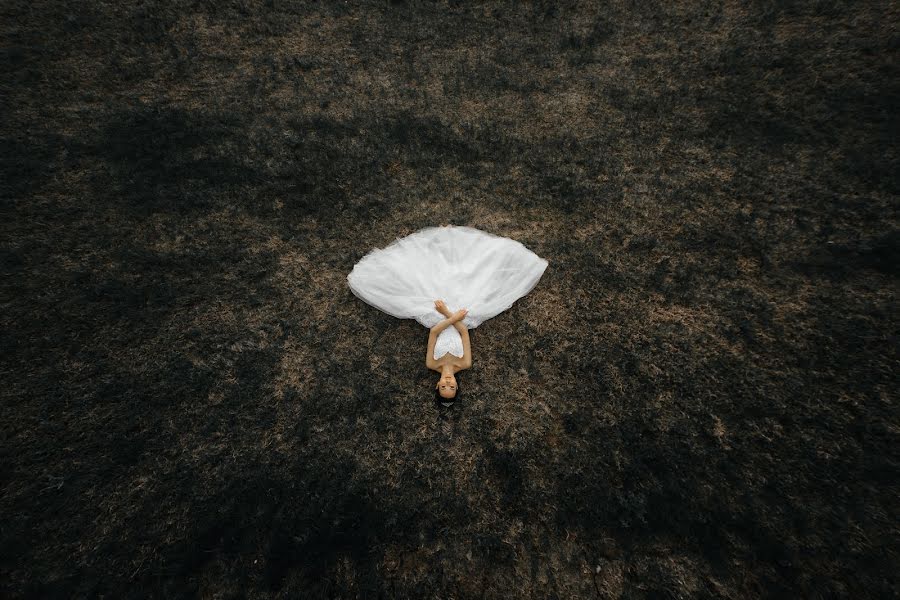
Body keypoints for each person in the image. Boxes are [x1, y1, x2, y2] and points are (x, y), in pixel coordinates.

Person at [426, 300, 471, 404]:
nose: (447, 382)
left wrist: (446, 312)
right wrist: (451, 315)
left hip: (438, 319)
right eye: (451, 387)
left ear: (437, 385)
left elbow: (433, 332)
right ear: (457, 385)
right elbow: (464, 332)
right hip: (461, 320)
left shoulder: (432, 364)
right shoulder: (465, 363)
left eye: (443, 386)